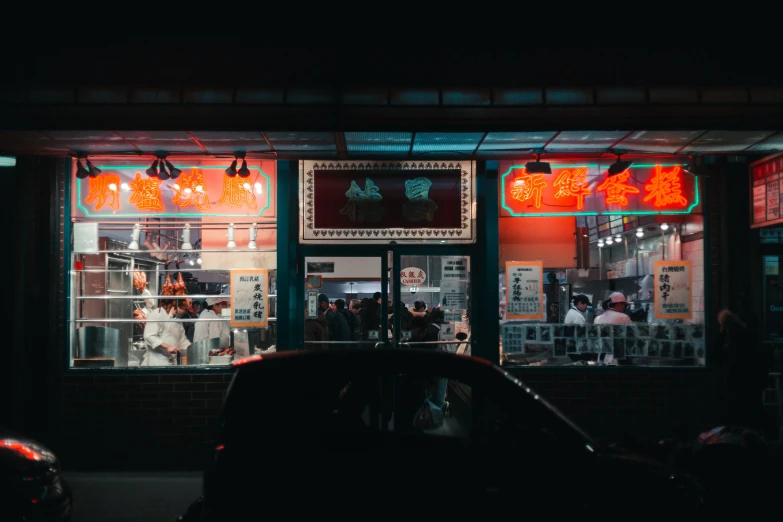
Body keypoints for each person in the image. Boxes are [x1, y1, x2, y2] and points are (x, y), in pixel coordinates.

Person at [714, 308, 771, 433]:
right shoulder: (758, 348)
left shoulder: (734, 348)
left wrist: (722, 332)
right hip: (752, 401)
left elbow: (716, 354)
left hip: (733, 400)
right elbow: (764, 378)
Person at [143, 298, 190, 366]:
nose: (186, 311)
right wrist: (167, 347)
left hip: (172, 362)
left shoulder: (178, 321)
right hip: (157, 363)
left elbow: (182, 341)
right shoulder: (158, 313)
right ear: (176, 305)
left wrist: (193, 349)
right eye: (185, 309)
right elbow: (149, 336)